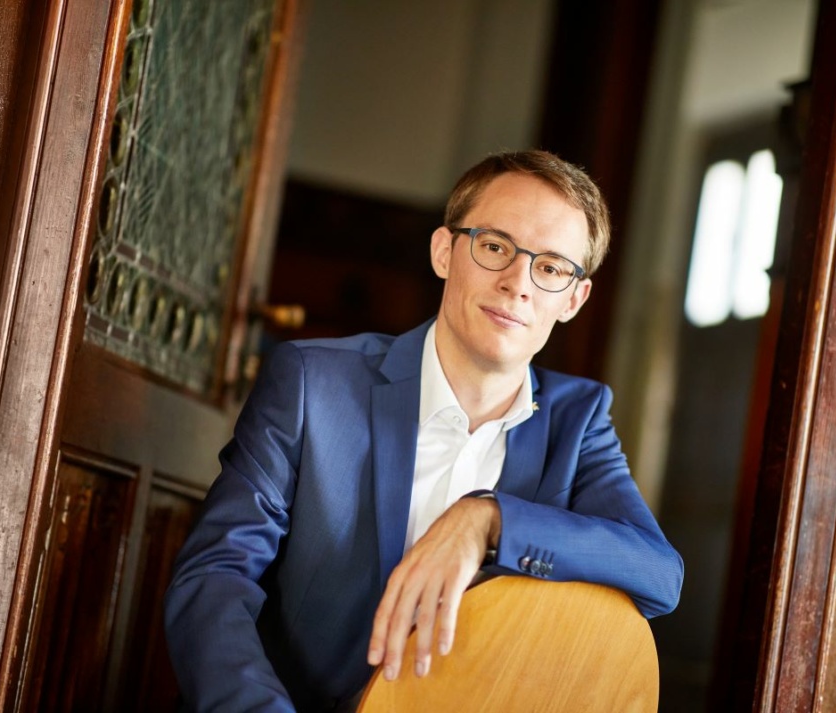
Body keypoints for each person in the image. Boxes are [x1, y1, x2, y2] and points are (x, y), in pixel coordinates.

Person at [164, 150, 683, 712]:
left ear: (574, 299)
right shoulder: (312, 383)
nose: (518, 283)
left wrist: (487, 520)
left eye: (552, 267)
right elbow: (215, 577)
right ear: (444, 252)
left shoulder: (579, 421)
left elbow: (658, 574)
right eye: (494, 247)